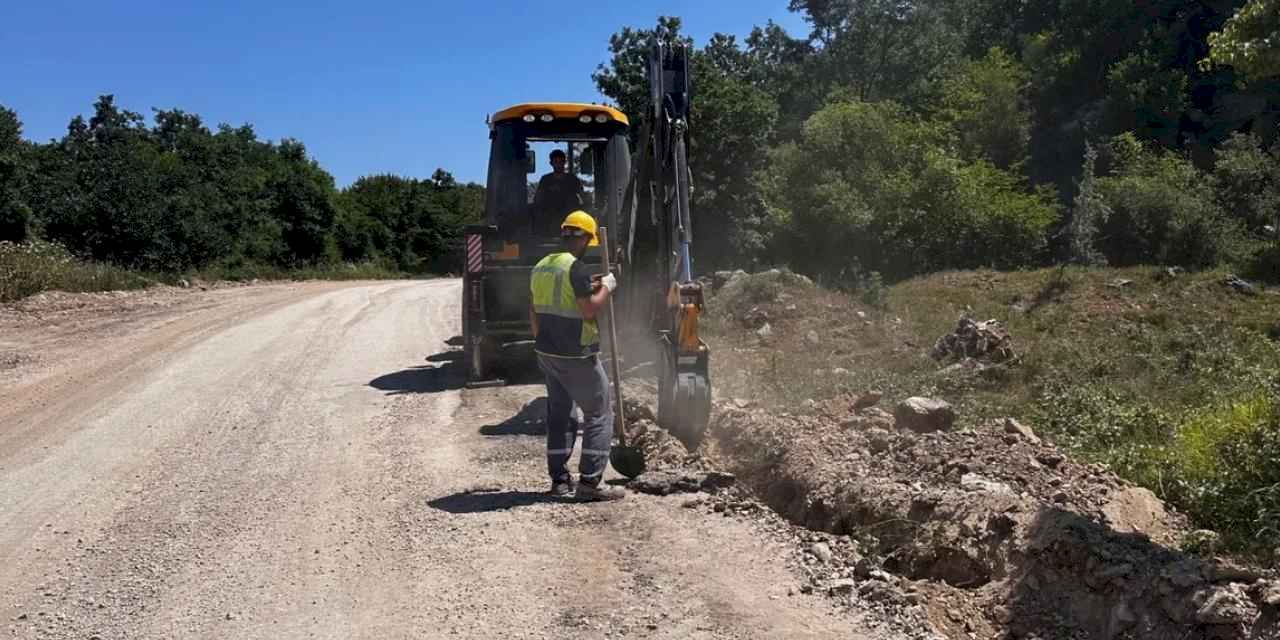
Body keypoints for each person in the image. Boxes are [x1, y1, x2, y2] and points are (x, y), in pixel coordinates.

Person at [528, 211, 625, 501]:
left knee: (559, 414)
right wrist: (607, 287)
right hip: (576, 355)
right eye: (588, 240)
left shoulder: (542, 266)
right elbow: (588, 309)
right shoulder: (577, 268)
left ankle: (559, 481)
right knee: (599, 412)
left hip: (546, 352)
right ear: (583, 237)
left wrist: (543, 340)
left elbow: (533, 309)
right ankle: (590, 484)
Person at [531, 149, 585, 236]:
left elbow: (583, 196)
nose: (559, 164)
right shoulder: (546, 180)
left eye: (561, 161)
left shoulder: (572, 179)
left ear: (564, 162)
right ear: (551, 163)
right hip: (550, 218)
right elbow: (538, 199)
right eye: (556, 161)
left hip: (570, 219)